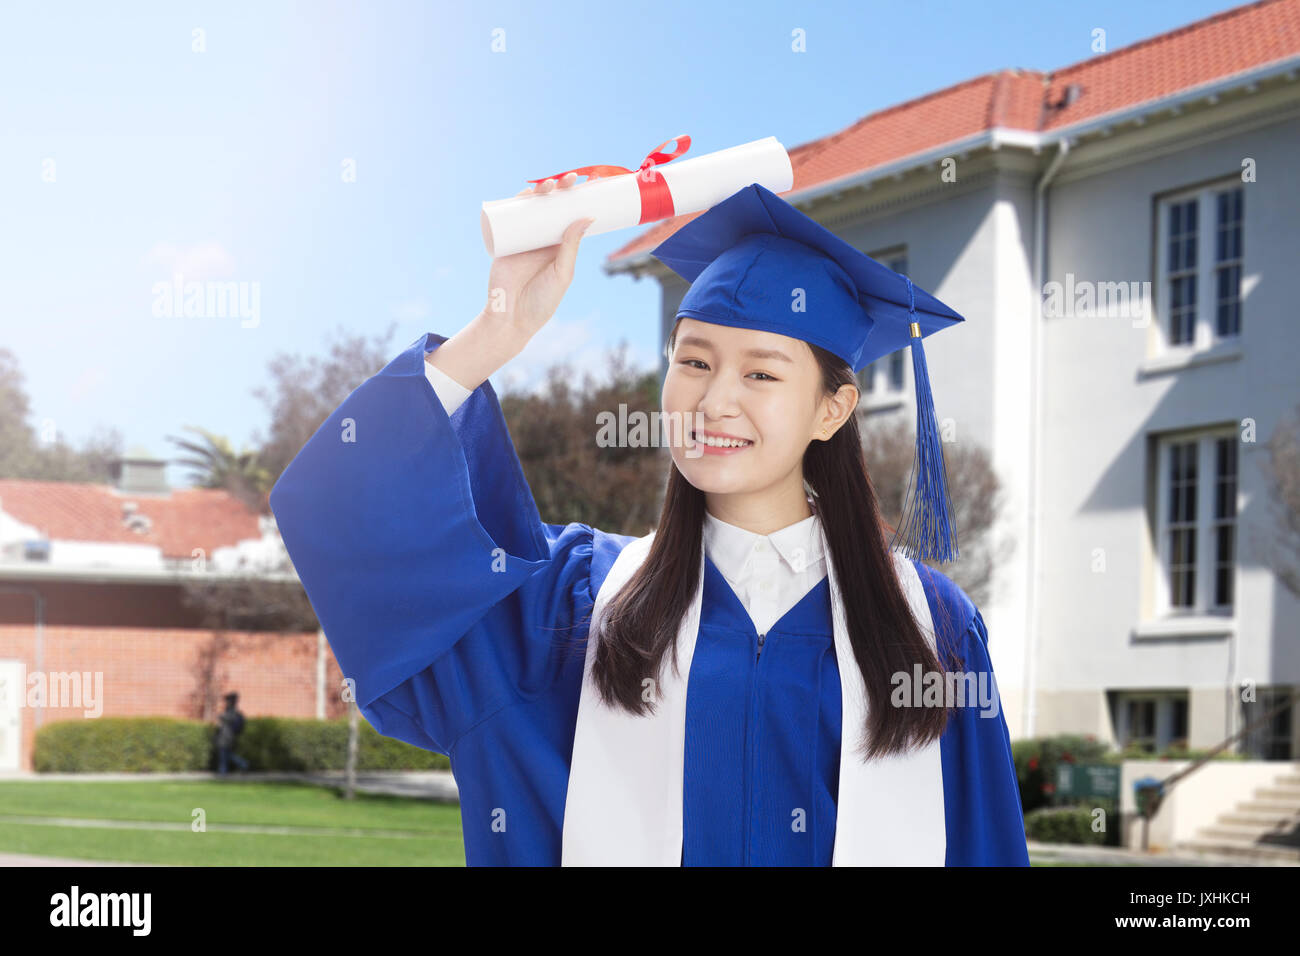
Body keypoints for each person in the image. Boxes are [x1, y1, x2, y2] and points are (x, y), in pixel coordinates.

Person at [269, 174, 1029, 866]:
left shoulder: (927, 626)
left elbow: (985, 846)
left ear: (832, 409)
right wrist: (494, 334)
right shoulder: (563, 611)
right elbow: (349, 517)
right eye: (694, 362)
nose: (714, 401)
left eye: (761, 372)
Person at [215, 692, 248, 775]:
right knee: (227, 755)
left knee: (223, 755)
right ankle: (242, 764)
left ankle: (223, 771)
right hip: (226, 736)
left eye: (227, 701)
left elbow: (224, 718)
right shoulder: (231, 711)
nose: (225, 703)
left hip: (226, 737)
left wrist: (220, 717)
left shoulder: (231, 712)